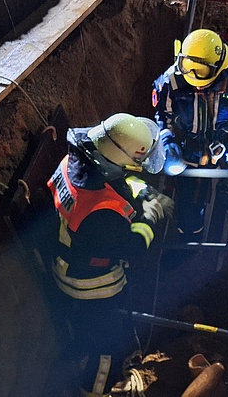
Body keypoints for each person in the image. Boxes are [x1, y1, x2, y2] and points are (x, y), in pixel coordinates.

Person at [38, 113, 174, 397]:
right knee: (107, 351)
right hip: (92, 286)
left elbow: (123, 181)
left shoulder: (72, 164)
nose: (137, 168)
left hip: (67, 263)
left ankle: (83, 348)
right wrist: (150, 216)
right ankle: (93, 392)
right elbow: (132, 250)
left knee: (90, 330)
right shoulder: (103, 213)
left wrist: (144, 191)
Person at [151, 28, 228, 248]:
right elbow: (162, 116)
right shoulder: (171, 81)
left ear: (219, 68)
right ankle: (188, 244)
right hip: (191, 154)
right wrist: (168, 143)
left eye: (201, 75)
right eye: (188, 71)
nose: (195, 82)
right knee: (189, 210)